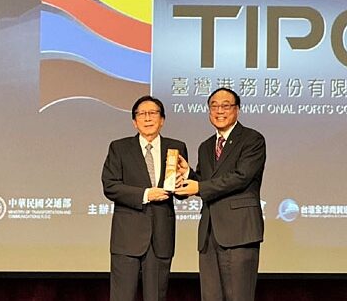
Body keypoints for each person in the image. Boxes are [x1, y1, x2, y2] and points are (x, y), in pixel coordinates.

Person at [176, 88, 266, 301]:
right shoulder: (206, 146)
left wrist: (199, 187)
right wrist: (188, 174)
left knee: (238, 296)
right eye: (214, 106)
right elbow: (206, 181)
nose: (219, 111)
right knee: (210, 297)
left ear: (237, 110)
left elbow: (241, 177)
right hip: (209, 234)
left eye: (225, 106)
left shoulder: (252, 139)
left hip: (239, 232)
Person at [102, 95, 188, 301]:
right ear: (134, 121)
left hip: (161, 236)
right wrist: (146, 194)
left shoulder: (176, 148)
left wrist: (186, 174)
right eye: (141, 114)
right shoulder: (119, 148)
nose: (147, 118)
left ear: (162, 120)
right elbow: (110, 186)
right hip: (127, 237)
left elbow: (184, 191)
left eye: (153, 113)